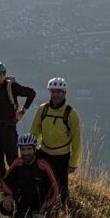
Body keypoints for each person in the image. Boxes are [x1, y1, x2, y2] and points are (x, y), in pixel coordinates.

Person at [30, 77, 81, 205]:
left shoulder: (71, 113)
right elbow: (35, 130)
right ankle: (43, 205)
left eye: (59, 92)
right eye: (53, 92)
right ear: (49, 93)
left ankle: (64, 209)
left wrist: (73, 163)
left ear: (64, 93)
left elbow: (76, 140)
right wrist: (30, 150)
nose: (56, 95)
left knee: (62, 184)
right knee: (43, 180)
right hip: (44, 152)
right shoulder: (43, 109)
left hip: (62, 156)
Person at [0, 61, 36, 173]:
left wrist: (23, 111)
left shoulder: (12, 87)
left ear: (4, 75)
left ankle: (15, 183)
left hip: (8, 128)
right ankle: (1, 184)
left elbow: (31, 93)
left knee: (12, 159)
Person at [0, 133, 59, 218]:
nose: (26, 152)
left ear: (34, 149)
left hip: (41, 204)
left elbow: (55, 190)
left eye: (29, 149)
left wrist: (45, 208)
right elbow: (5, 180)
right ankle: (22, 216)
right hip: (23, 200)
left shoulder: (43, 165)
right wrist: (9, 195)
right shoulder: (17, 163)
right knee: (4, 208)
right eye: (23, 149)